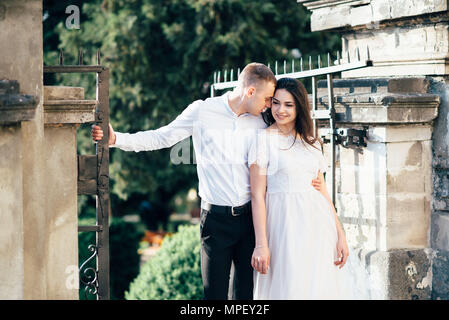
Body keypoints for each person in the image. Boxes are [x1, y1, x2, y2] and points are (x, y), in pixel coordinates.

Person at [91, 63, 322, 300]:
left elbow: (287, 145)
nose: (269, 106)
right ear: (250, 92)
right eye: (267, 99)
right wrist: (117, 138)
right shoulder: (202, 112)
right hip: (215, 221)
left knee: (247, 296)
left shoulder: (262, 121)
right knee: (214, 296)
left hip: (250, 221)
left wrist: (309, 179)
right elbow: (162, 136)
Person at [249, 77, 370, 299]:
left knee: (317, 288)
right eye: (276, 103)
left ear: (299, 107)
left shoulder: (312, 142)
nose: (280, 110)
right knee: (289, 287)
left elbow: (322, 191)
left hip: (317, 226)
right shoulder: (263, 141)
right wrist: (261, 244)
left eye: (288, 104)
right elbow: (257, 196)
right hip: (282, 225)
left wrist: (340, 234)